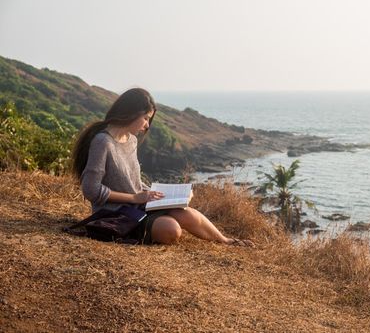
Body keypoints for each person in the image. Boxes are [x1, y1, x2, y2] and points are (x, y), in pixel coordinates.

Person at [71, 88, 254, 247]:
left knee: (187, 214)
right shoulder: (103, 142)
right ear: (131, 112)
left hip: (136, 205)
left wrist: (159, 195)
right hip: (114, 215)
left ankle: (226, 241)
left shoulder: (131, 140)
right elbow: (91, 189)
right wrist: (135, 197)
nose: (147, 125)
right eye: (145, 118)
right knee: (171, 230)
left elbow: (132, 181)